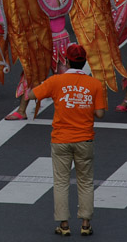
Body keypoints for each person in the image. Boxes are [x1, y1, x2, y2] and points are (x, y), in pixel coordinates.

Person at [25, 44, 105, 237]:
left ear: (67, 61)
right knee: (85, 182)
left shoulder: (56, 81)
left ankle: (64, 224)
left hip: (61, 139)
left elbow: (31, 95)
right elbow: (100, 113)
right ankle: (85, 224)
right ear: (85, 62)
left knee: (61, 182)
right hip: (85, 139)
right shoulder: (95, 84)